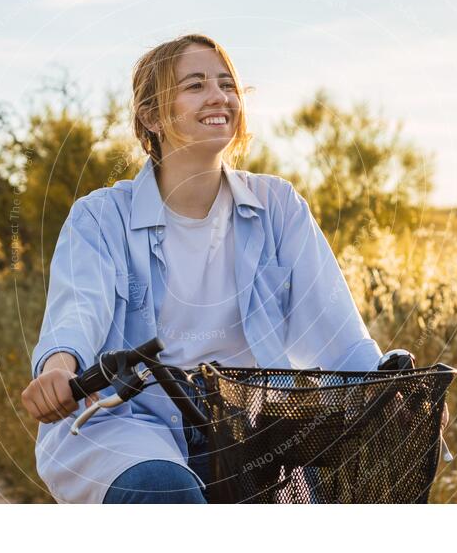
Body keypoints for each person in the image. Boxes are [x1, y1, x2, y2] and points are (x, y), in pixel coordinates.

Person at [20, 34, 388, 504]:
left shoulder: (278, 206)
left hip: (252, 428)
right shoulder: (101, 217)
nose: (219, 97)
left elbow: (335, 324)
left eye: (227, 84)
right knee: (164, 490)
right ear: (151, 116)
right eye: (195, 85)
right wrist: (59, 367)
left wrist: (390, 391)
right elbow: (78, 309)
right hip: (128, 424)